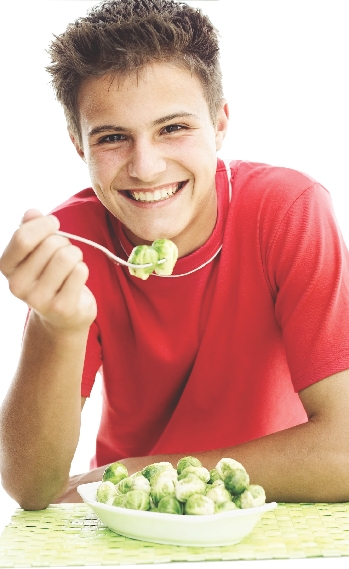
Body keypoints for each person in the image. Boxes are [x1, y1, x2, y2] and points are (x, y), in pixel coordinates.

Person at [1, 0, 349, 511]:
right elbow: (30, 485)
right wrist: (59, 327)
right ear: (79, 145)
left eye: (173, 128)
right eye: (114, 138)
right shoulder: (74, 242)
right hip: (131, 521)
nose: (145, 168)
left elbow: (343, 451)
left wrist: (148, 470)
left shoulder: (286, 211)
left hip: (274, 506)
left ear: (221, 124)